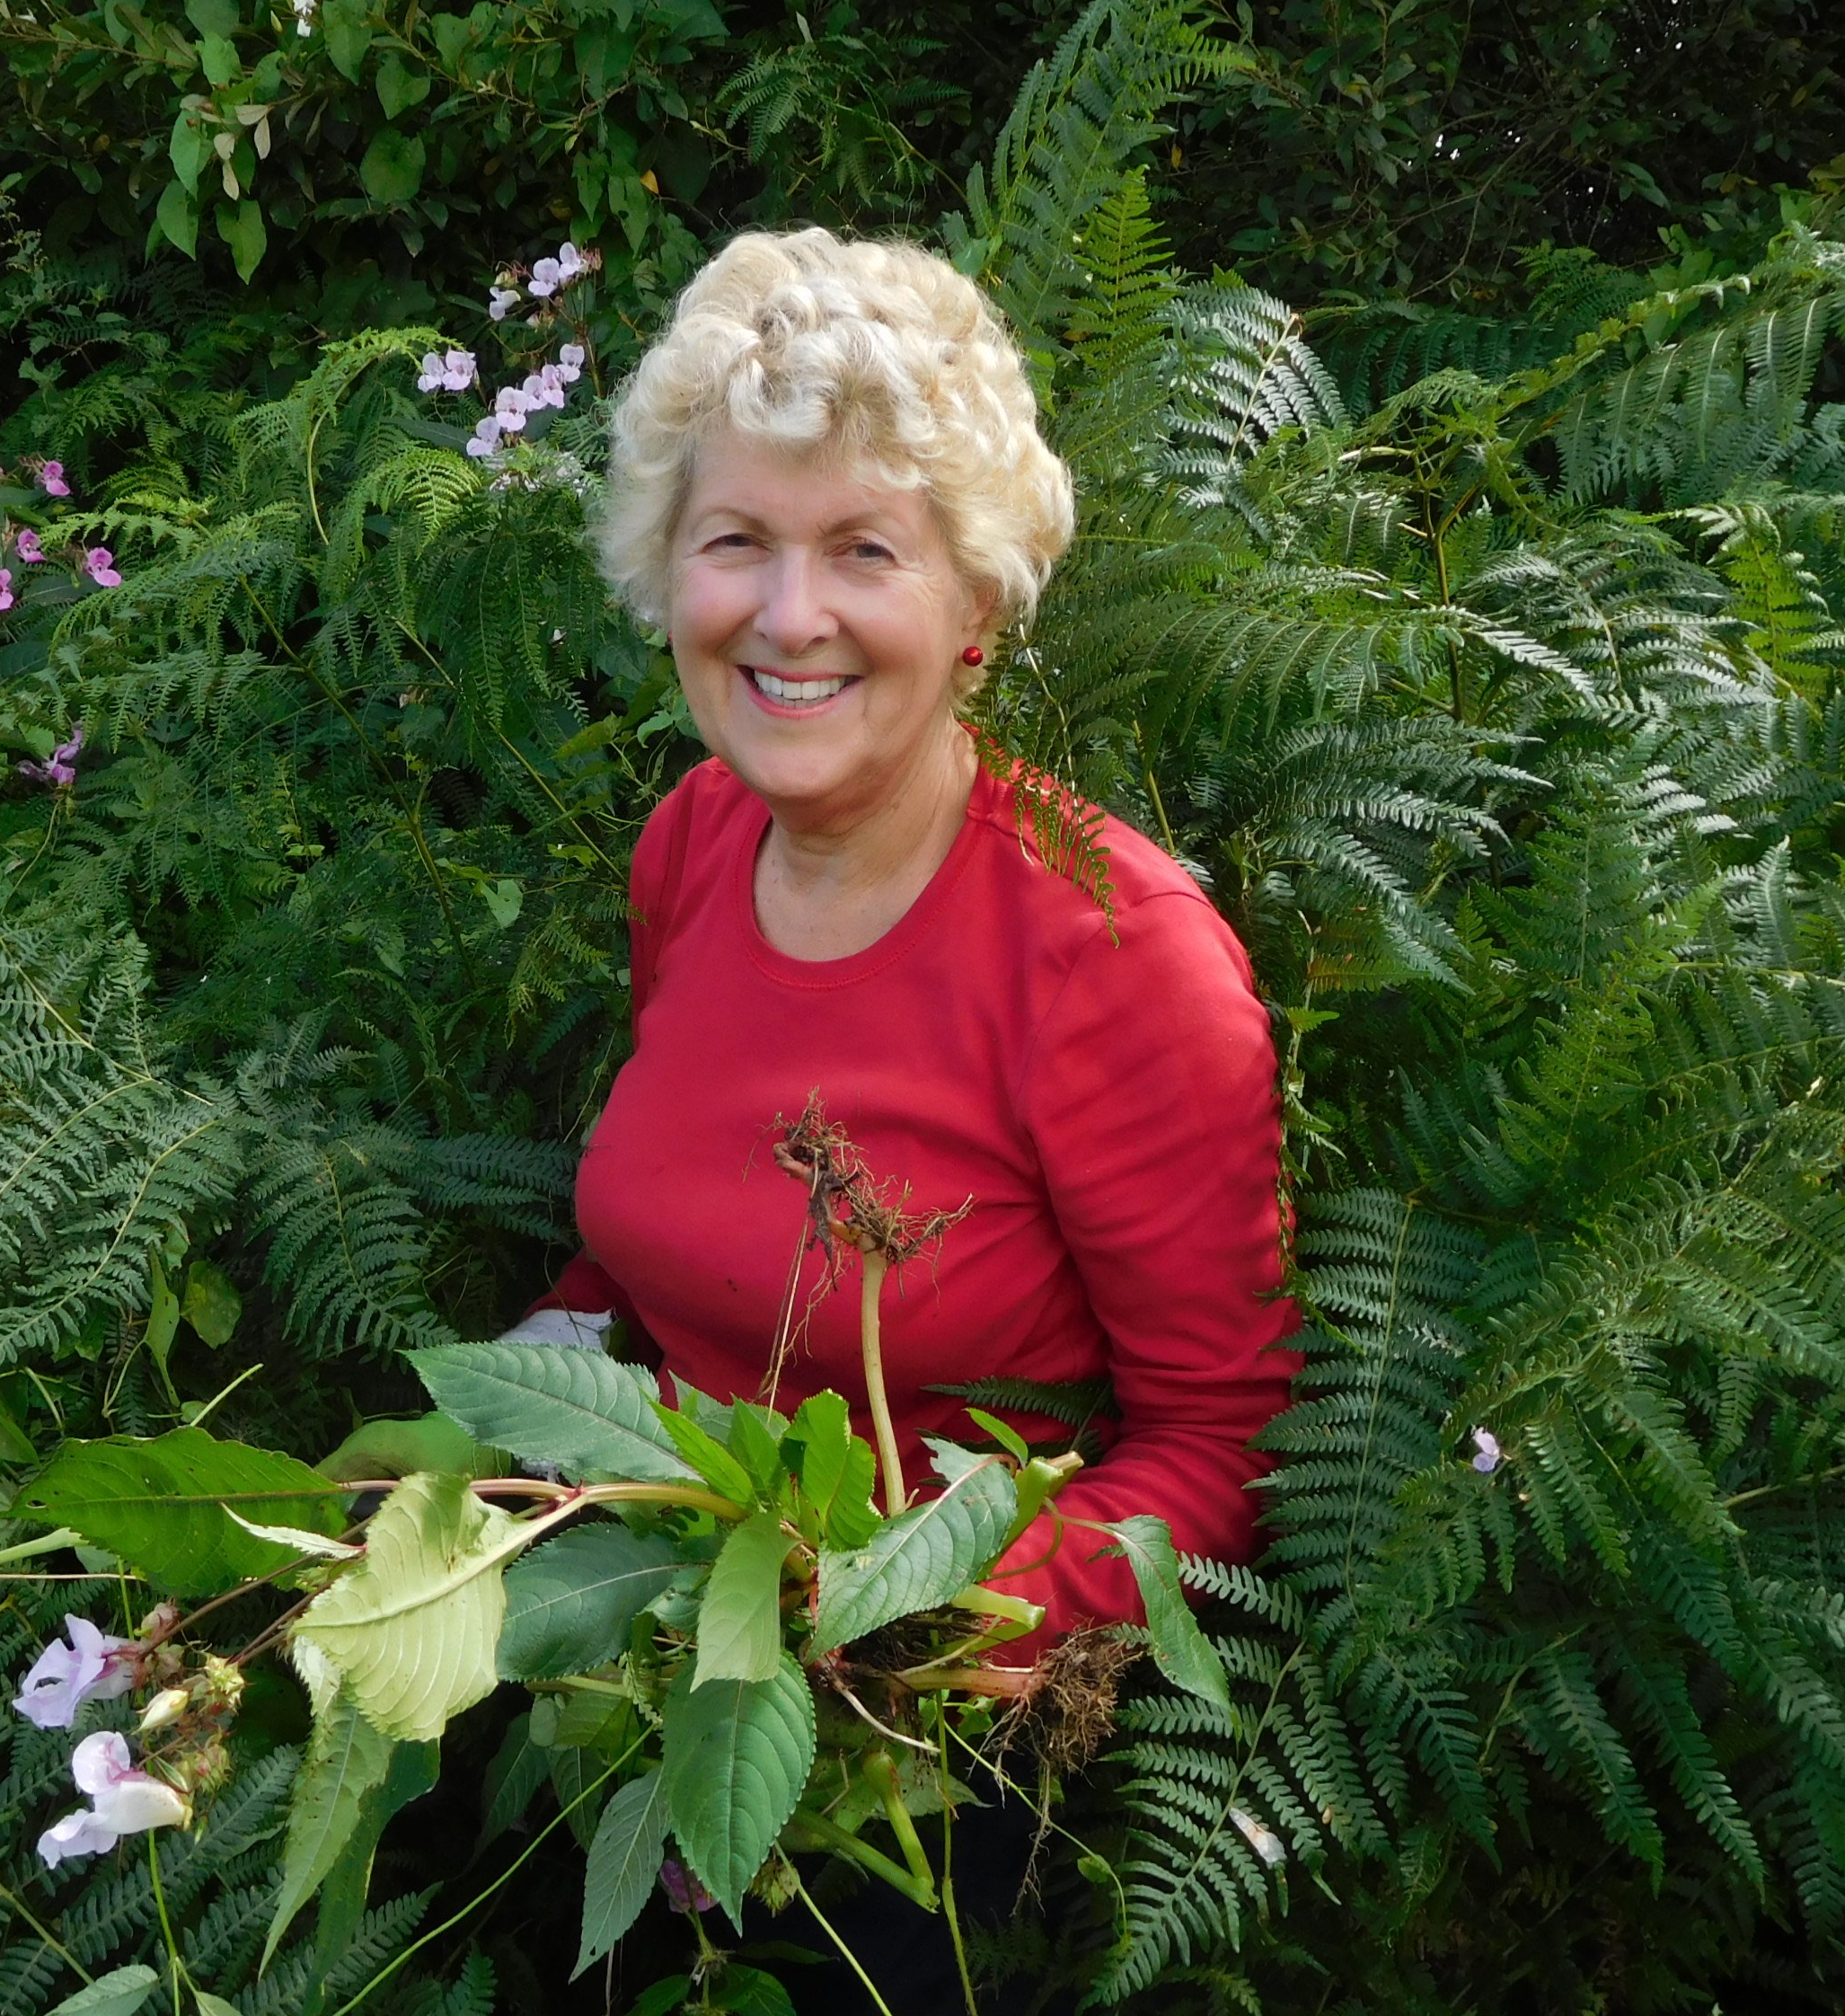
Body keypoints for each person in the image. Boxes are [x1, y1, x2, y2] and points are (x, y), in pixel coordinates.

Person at [506, 227, 1296, 2009]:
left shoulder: (1118, 956)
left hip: (933, 1757)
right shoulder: (693, 849)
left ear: (974, 605)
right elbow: (659, 1225)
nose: (789, 618)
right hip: (633, 1655)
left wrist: (937, 1609)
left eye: (864, 549)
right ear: (668, 571)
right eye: (738, 544)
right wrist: (535, 1378)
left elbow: (1223, 1441)